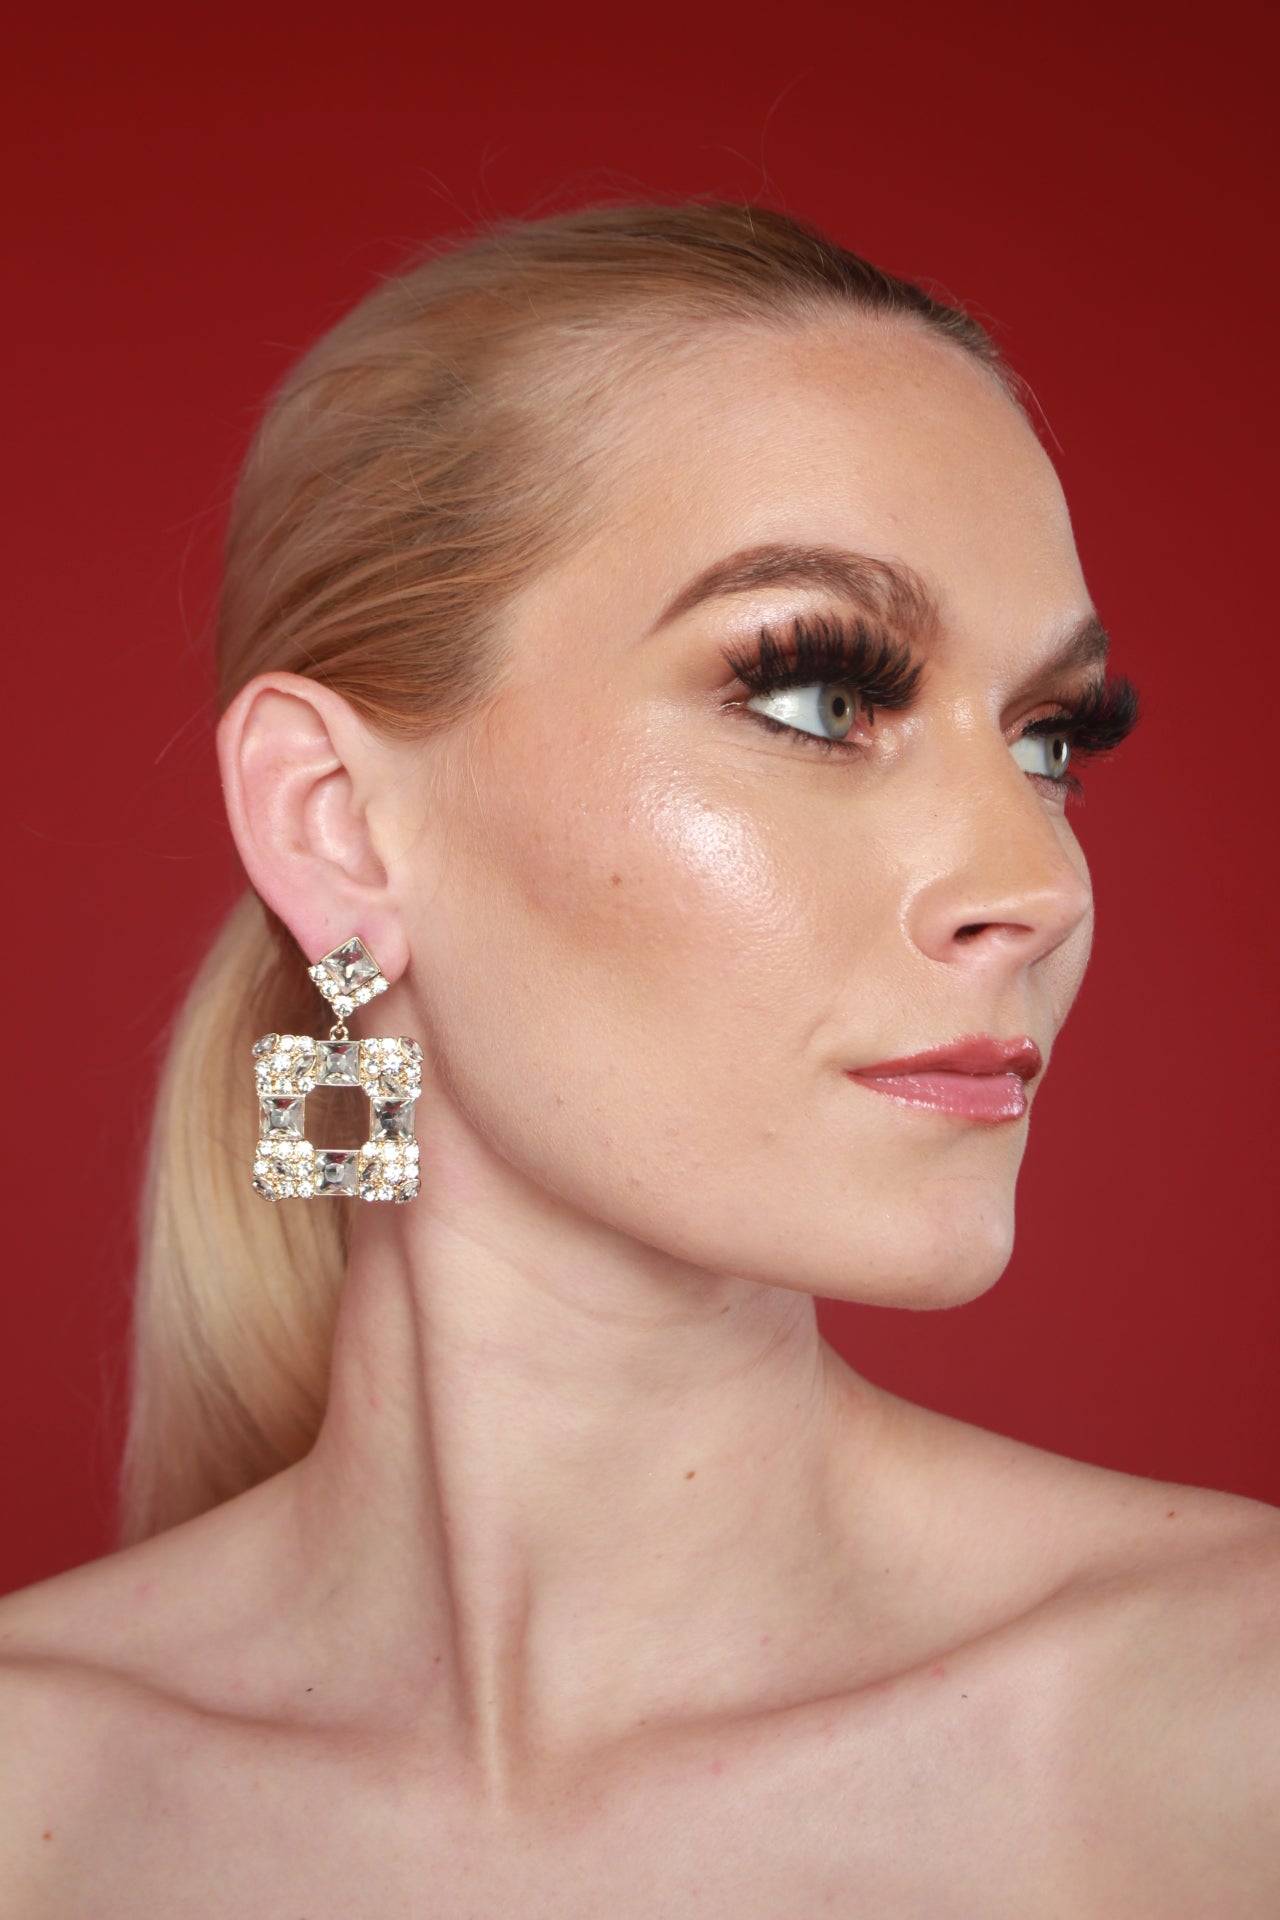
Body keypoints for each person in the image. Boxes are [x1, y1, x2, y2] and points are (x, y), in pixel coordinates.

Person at [2, 199, 1276, 1915]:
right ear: (335, 827)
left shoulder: (1226, 1730)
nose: (1037, 886)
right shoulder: (42, 1790)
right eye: (823, 696)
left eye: (1050, 737)